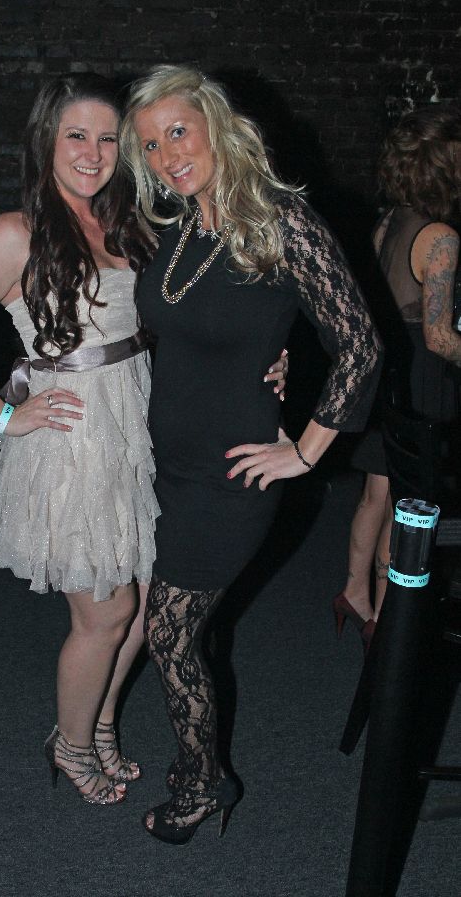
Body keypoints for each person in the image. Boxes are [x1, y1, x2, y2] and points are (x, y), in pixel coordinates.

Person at [0, 73, 288, 804]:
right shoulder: (12, 233)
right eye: (75, 135)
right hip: (73, 437)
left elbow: (198, 312)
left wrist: (270, 355)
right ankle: (71, 745)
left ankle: (102, 722)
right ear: (45, 142)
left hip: (138, 423)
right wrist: (3, 417)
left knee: (144, 603)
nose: (92, 152)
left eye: (108, 138)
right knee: (106, 611)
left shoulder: (131, 226)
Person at [120, 64, 382, 842]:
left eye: (177, 131)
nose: (167, 155)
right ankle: (201, 773)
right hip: (171, 462)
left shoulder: (279, 219)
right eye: (150, 144)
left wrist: (306, 449)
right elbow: (210, 327)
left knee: (169, 633)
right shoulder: (181, 226)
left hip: (232, 472)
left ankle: (204, 783)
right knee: (173, 628)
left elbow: (360, 345)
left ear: (214, 124)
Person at [334, 103, 461, 648]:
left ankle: (353, 593)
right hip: (420, 381)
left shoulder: (388, 220)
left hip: (385, 372)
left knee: (375, 494)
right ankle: (387, 619)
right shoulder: (440, 236)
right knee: (408, 506)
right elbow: (440, 338)